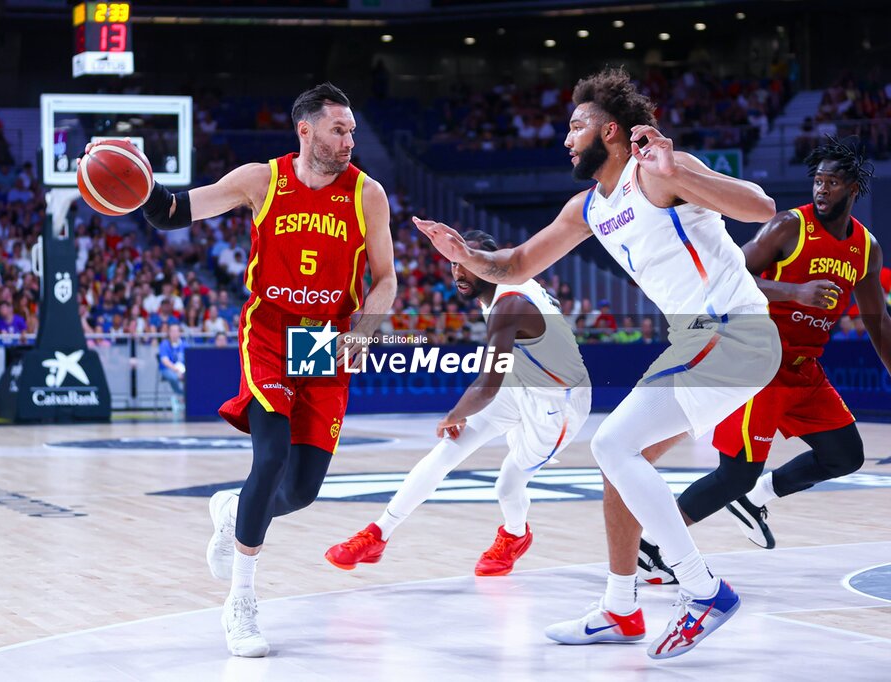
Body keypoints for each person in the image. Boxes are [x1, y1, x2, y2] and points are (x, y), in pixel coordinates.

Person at [414, 67, 780, 659]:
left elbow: (760, 207)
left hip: (733, 331)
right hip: (695, 340)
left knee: (612, 443)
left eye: (576, 126)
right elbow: (515, 266)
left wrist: (676, 170)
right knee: (618, 467)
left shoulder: (658, 170)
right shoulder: (587, 207)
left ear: (610, 131)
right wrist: (466, 254)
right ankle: (620, 607)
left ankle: (704, 589)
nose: (566, 138)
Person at [109, 82, 396, 657]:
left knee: (301, 490)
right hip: (269, 335)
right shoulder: (260, 180)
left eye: (352, 131)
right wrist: (140, 182)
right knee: (270, 456)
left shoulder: (368, 194)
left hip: (324, 343)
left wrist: (367, 327)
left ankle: (232, 510)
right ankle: (241, 602)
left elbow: (385, 278)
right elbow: (172, 213)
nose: (349, 141)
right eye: (339, 130)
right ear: (306, 130)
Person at [638, 137, 889, 567]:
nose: (821, 190)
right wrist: (795, 291)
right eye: (817, 181)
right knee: (733, 473)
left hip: (803, 369)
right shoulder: (789, 227)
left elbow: (878, 321)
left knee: (845, 456)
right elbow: (727, 277)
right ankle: (650, 548)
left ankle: (758, 497)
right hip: (756, 359)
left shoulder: (865, 249)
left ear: (852, 188)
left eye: (831, 182)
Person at [325, 230, 592, 576]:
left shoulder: (510, 305)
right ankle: (378, 534)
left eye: (467, 263)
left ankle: (515, 535)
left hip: (559, 402)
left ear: (491, 264)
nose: (458, 272)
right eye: (454, 263)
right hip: (519, 383)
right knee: (445, 453)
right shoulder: (501, 281)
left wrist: (453, 414)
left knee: (508, 484)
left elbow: (486, 387)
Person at [158, 321, 186, 413]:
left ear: (179, 333)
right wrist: (176, 370)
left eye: (176, 331)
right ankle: (181, 396)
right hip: (167, 370)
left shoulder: (184, 344)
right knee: (173, 377)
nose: (174, 333)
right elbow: (164, 361)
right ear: (169, 333)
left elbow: (190, 359)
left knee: (192, 377)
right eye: (172, 331)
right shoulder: (165, 344)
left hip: (183, 370)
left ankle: (187, 398)